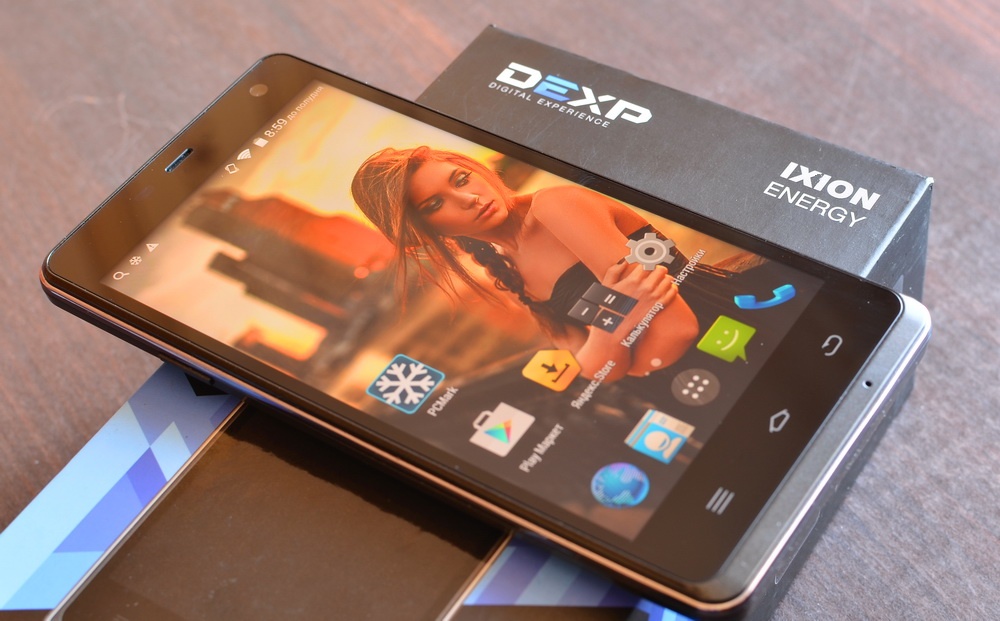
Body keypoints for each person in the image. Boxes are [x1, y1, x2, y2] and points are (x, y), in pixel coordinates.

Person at [351, 146, 707, 382]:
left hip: (718, 332)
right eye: (434, 204)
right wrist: (611, 329)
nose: (469, 197)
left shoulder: (556, 207)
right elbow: (584, 365)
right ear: (422, 233)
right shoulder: (505, 269)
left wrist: (615, 358)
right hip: (687, 374)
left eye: (461, 179)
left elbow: (676, 330)